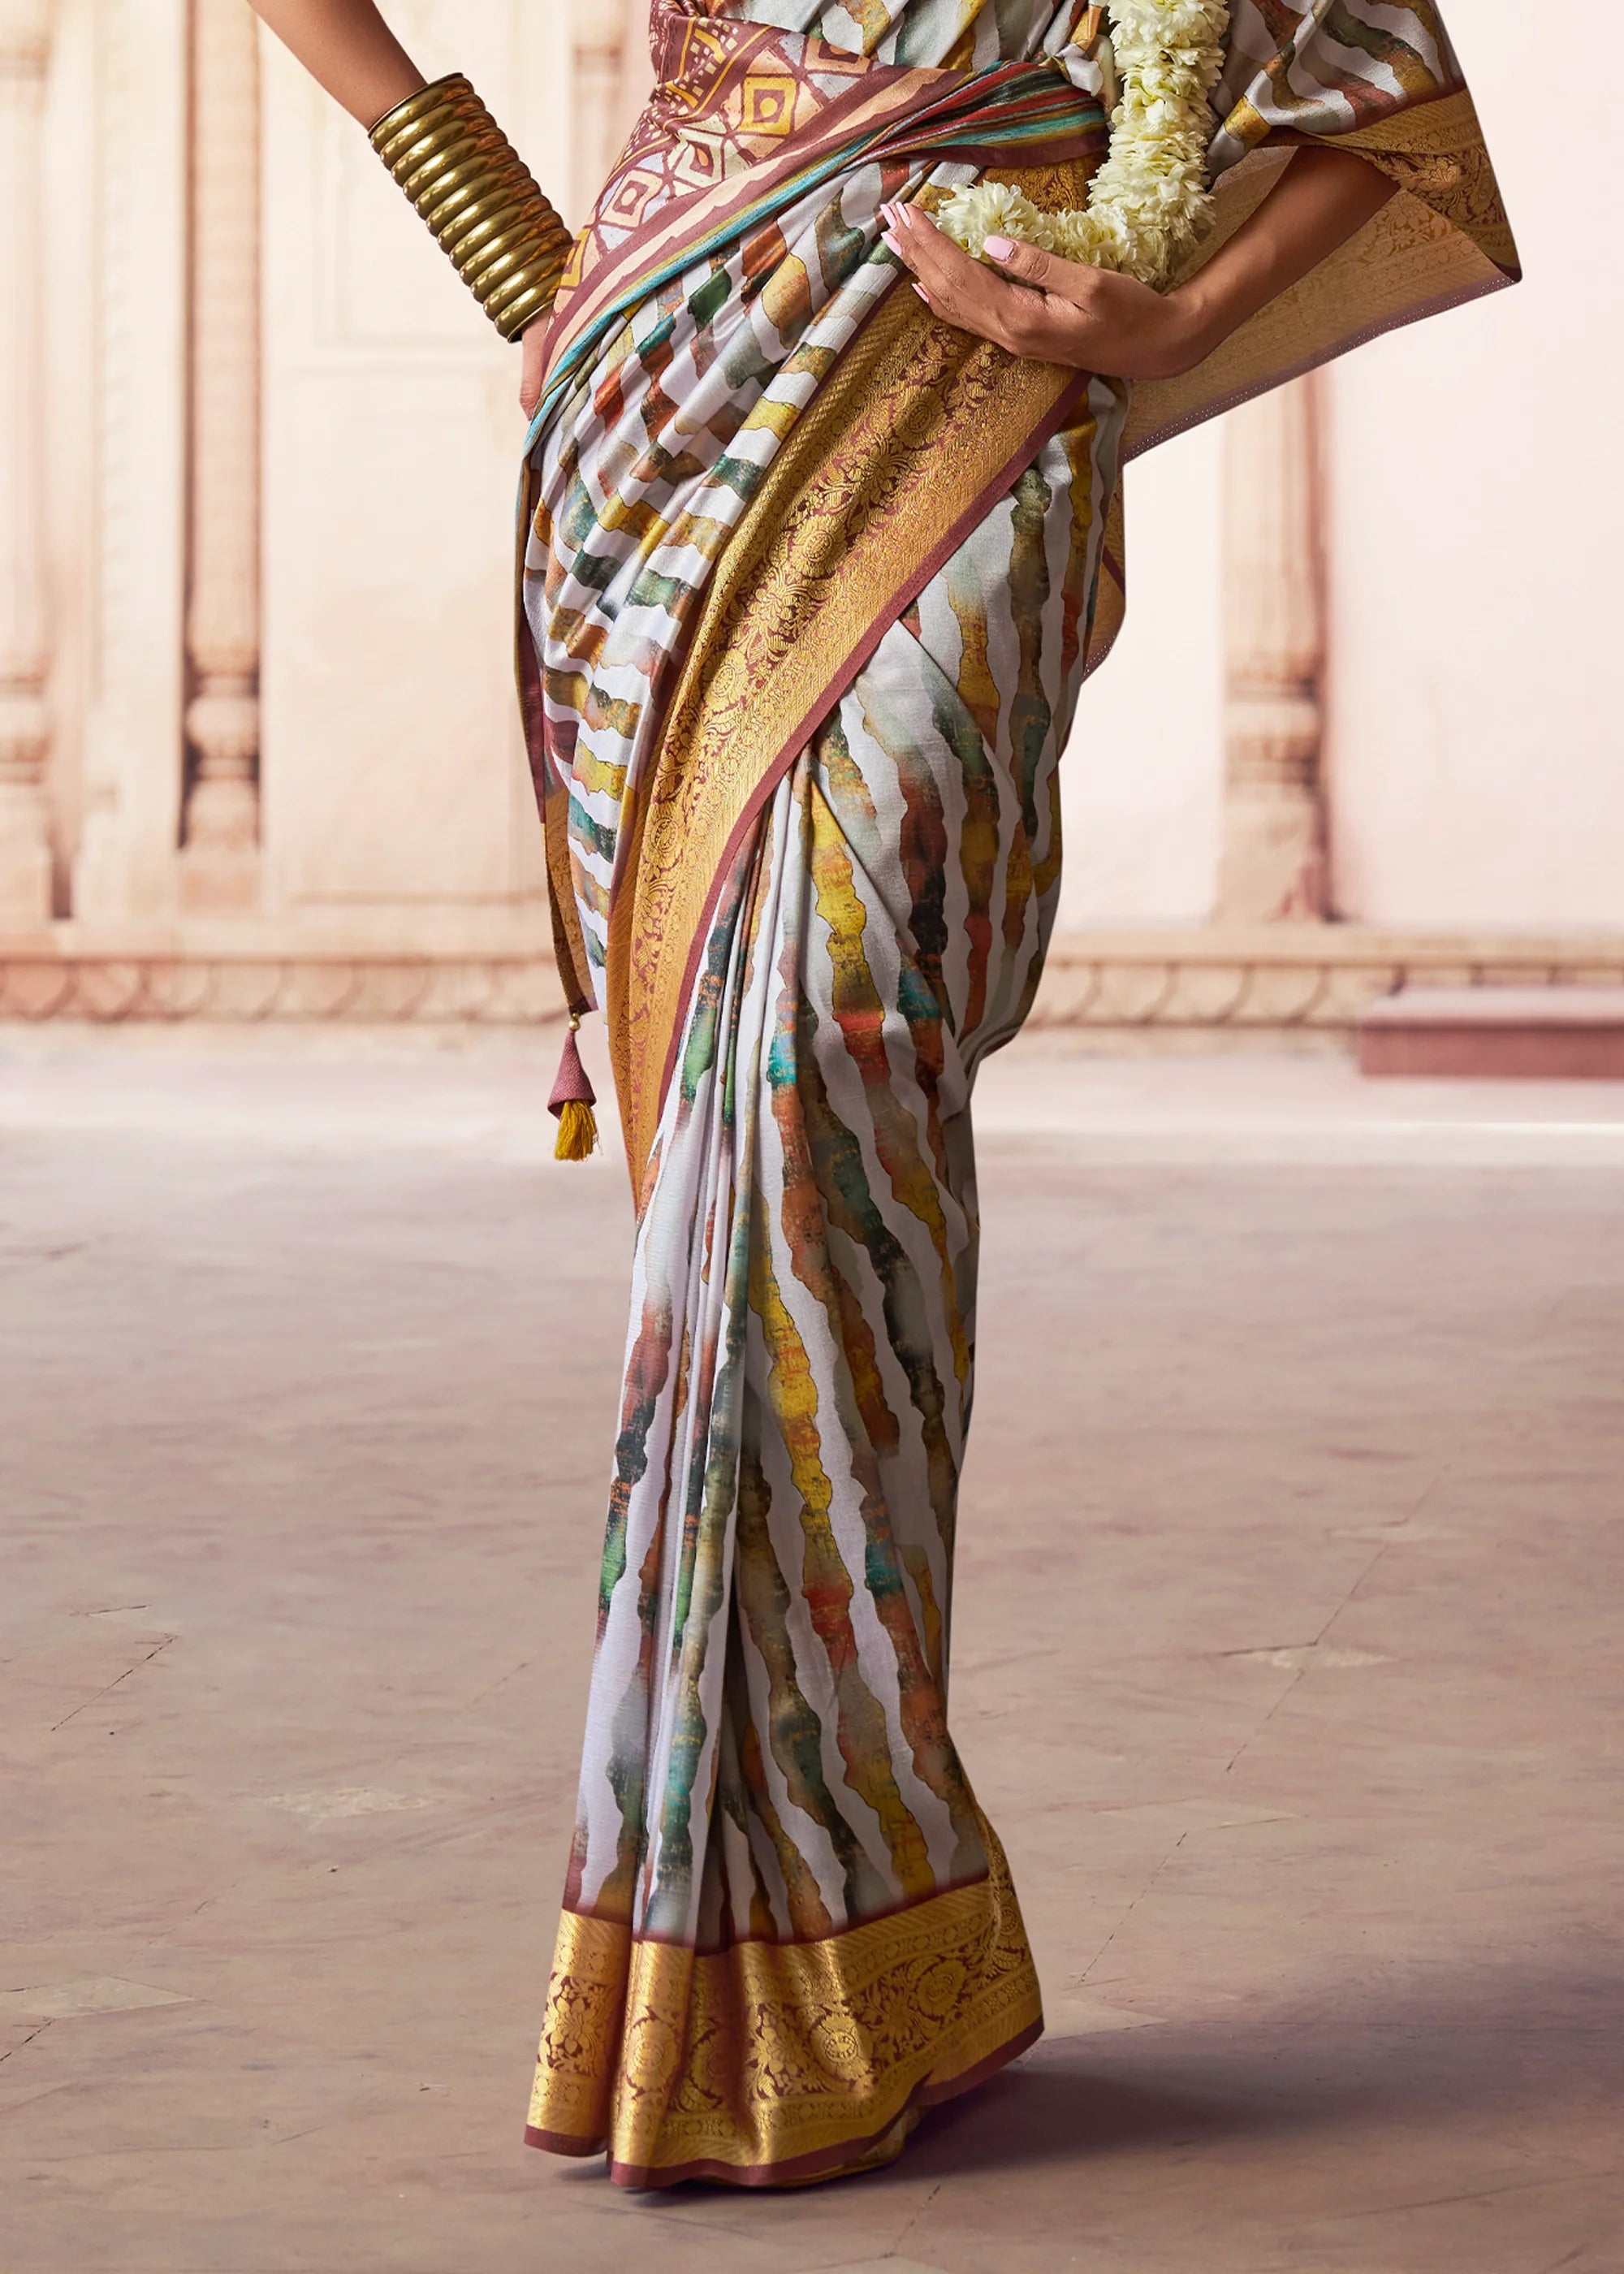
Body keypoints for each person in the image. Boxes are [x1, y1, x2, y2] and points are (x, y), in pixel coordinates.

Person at [249, 0, 1516, 2194]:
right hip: (665, 402)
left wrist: (1177, 314)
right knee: (736, 1166)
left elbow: (1382, 77)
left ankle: (836, 1883)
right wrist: (509, 242)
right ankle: (815, 1896)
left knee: (833, 1093)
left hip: (973, 410)